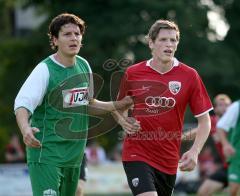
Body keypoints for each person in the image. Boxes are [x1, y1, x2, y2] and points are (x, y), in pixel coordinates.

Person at [14, 13, 133, 196]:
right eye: (67, 34)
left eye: (77, 34)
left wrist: (118, 104)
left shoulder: (84, 66)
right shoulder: (45, 70)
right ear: (55, 40)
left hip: (74, 156)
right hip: (46, 153)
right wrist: (25, 129)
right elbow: (22, 104)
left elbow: (89, 105)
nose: (74, 38)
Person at [114, 19, 213, 196]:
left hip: (168, 160)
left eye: (173, 40)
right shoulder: (133, 73)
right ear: (151, 43)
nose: (169, 44)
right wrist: (123, 122)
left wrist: (194, 151)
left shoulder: (189, 75)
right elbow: (118, 107)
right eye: (163, 40)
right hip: (136, 153)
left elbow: (205, 121)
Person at [197, 94, 231, 196]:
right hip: (227, 167)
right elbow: (196, 131)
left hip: (236, 166)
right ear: (215, 108)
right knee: (203, 192)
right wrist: (176, 138)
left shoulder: (234, 123)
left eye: (227, 105)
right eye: (221, 105)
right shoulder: (211, 122)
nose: (224, 108)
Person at [217, 99, 240, 196]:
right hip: (236, 157)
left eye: (225, 105)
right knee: (233, 190)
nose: (223, 108)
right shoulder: (237, 106)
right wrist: (225, 145)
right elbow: (220, 126)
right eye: (220, 105)